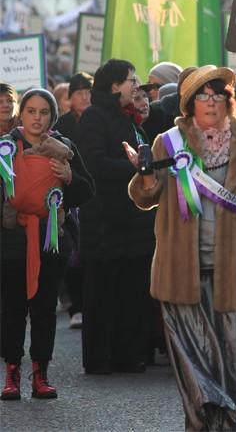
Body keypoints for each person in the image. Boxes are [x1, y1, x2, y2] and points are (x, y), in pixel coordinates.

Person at [127, 65, 236, 430]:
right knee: (192, 361)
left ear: (229, 101)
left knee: (233, 357)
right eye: (203, 95)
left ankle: (229, 423)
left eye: (218, 95)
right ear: (188, 104)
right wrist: (146, 176)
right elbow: (146, 197)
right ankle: (200, 423)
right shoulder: (167, 143)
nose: (211, 102)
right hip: (180, 267)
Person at [1, 88, 94, 400]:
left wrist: (69, 177)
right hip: (12, 240)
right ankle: (11, 371)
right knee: (12, 309)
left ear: (52, 116)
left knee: (44, 309)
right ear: (21, 114)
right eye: (31, 111)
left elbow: (87, 190)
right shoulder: (5, 147)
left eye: (43, 112)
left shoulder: (64, 148)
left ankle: (40, 374)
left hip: (51, 238)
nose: (36, 118)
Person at [76, 60, 156, 375]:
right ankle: (99, 357)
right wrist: (136, 168)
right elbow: (94, 164)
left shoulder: (130, 119)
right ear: (114, 86)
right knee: (102, 295)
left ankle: (128, 354)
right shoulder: (95, 118)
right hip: (105, 224)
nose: (136, 86)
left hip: (133, 223)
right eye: (131, 80)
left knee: (131, 293)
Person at [52, 72, 93, 331]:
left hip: (87, 189)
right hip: (66, 196)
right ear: (70, 98)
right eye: (79, 93)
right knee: (72, 254)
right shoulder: (64, 125)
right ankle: (75, 305)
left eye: (88, 92)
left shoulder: (96, 120)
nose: (84, 97)